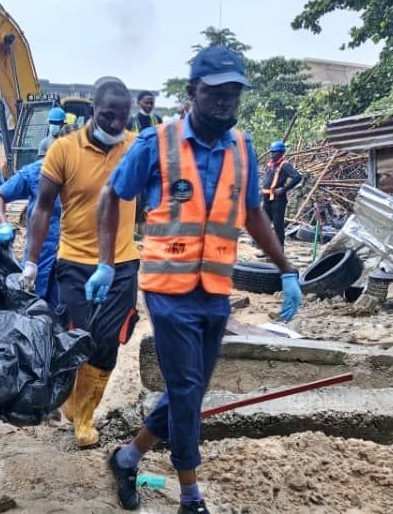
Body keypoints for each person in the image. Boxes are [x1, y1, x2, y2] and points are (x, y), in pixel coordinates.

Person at [94, 46, 302, 514]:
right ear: (192, 93)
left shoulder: (244, 149)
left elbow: (252, 214)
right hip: (168, 292)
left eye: (233, 93)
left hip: (215, 291)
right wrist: (107, 261)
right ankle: (191, 496)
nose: (225, 102)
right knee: (187, 390)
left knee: (189, 391)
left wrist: (287, 268)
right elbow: (113, 196)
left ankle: (127, 458)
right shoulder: (157, 143)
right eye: (215, 93)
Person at [24, 78, 139, 449]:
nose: (114, 125)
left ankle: (85, 416)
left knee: (108, 341)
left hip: (122, 262)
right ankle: (71, 399)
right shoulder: (63, 150)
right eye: (107, 116)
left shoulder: (136, 148)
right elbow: (41, 208)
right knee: (78, 336)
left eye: (122, 117)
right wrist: (29, 261)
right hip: (74, 260)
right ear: (93, 111)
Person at [0, 127, 76, 308]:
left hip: (73, 258)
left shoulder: (86, 177)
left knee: (68, 312)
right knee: (36, 308)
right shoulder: (36, 173)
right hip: (39, 256)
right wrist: (3, 225)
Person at [262, 140, 301, 247]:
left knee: (278, 225)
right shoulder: (271, 165)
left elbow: (297, 177)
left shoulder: (285, 165)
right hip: (267, 199)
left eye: (274, 152)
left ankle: (280, 251)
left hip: (278, 200)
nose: (272, 154)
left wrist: (284, 189)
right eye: (271, 152)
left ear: (281, 153)